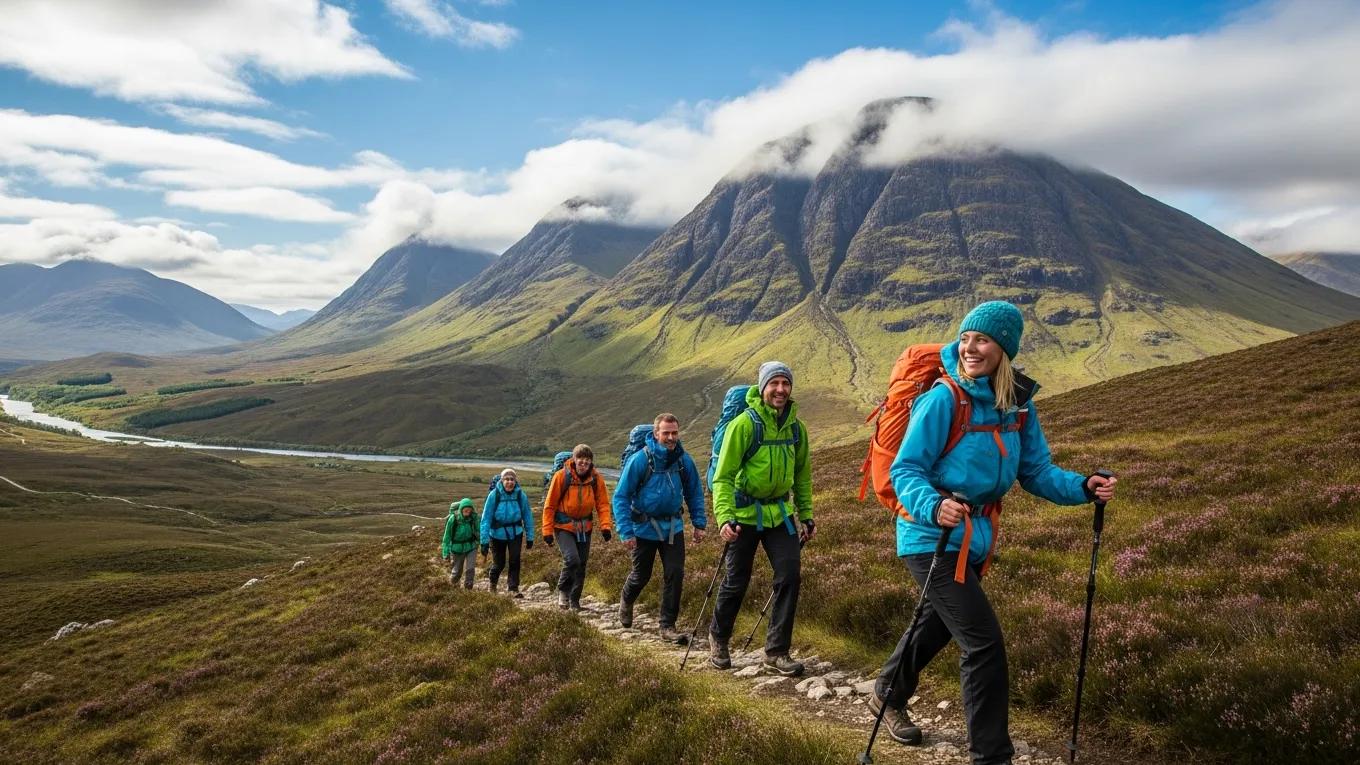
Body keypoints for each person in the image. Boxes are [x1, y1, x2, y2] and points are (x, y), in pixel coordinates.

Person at [870, 301, 1118, 764]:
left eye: (981, 340)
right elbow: (906, 468)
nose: (969, 347)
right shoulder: (944, 398)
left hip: (976, 541)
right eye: (965, 338)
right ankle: (991, 756)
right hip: (929, 537)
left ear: (1004, 349)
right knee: (983, 643)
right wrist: (933, 505)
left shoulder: (1018, 406)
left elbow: (1036, 471)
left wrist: (1082, 487)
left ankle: (887, 692)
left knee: (936, 626)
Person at [708, 361, 814, 676]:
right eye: (774, 384)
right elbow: (723, 477)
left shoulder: (796, 429)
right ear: (763, 387)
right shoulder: (743, 425)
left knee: (789, 576)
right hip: (743, 515)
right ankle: (718, 638)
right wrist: (724, 517)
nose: (780, 390)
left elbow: (802, 476)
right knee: (736, 580)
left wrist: (806, 515)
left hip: (780, 514)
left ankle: (777, 652)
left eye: (785, 383)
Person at [613, 413, 707, 643]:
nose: (671, 437)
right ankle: (626, 599)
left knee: (675, 573)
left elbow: (694, 492)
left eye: (674, 433)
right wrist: (625, 531)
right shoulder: (640, 460)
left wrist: (699, 523)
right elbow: (621, 496)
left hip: (672, 528)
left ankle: (667, 626)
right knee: (641, 575)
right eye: (666, 433)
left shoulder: (684, 461)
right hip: (643, 528)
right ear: (656, 434)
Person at [542, 444, 612, 611]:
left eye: (587, 461)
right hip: (563, 525)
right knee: (572, 559)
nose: (583, 463)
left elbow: (603, 504)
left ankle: (575, 601)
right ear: (574, 459)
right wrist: (547, 530)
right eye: (580, 459)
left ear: (591, 462)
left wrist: (606, 526)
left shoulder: (596, 479)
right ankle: (563, 591)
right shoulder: (561, 476)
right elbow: (550, 505)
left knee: (582, 564)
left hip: (584, 527)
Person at [480, 468, 534, 597]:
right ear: (502, 480)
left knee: (515, 560)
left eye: (512, 479)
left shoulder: (520, 495)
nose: (510, 482)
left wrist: (530, 536)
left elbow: (527, 515)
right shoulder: (494, 495)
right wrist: (484, 541)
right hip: (496, 534)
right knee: (499, 563)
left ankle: (513, 588)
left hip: (516, 533)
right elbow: (486, 518)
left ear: (515, 481)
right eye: (507, 479)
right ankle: (493, 584)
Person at [441, 498, 479, 589]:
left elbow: (479, 530)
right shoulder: (453, 519)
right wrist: (445, 553)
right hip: (456, 548)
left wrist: (483, 543)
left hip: (471, 546)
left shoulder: (473, 518)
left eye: (469, 510)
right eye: (466, 509)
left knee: (470, 569)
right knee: (457, 571)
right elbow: (447, 537)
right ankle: (453, 586)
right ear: (461, 509)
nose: (468, 512)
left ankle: (468, 588)